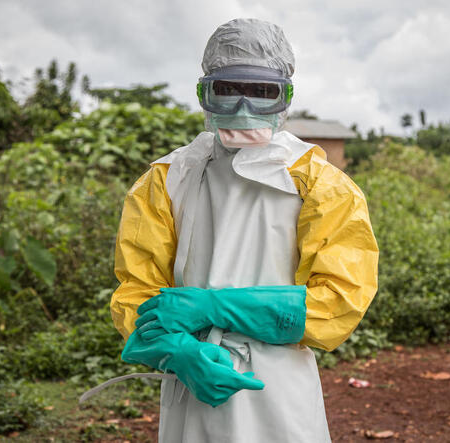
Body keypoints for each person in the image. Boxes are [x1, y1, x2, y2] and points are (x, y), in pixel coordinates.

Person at [110, 17, 379, 443]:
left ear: (285, 96)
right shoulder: (167, 179)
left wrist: (214, 308)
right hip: (193, 378)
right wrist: (176, 352)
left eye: (261, 92)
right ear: (204, 93)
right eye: (228, 90)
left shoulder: (321, 185)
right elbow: (135, 290)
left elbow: (340, 302)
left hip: (278, 389)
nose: (242, 107)